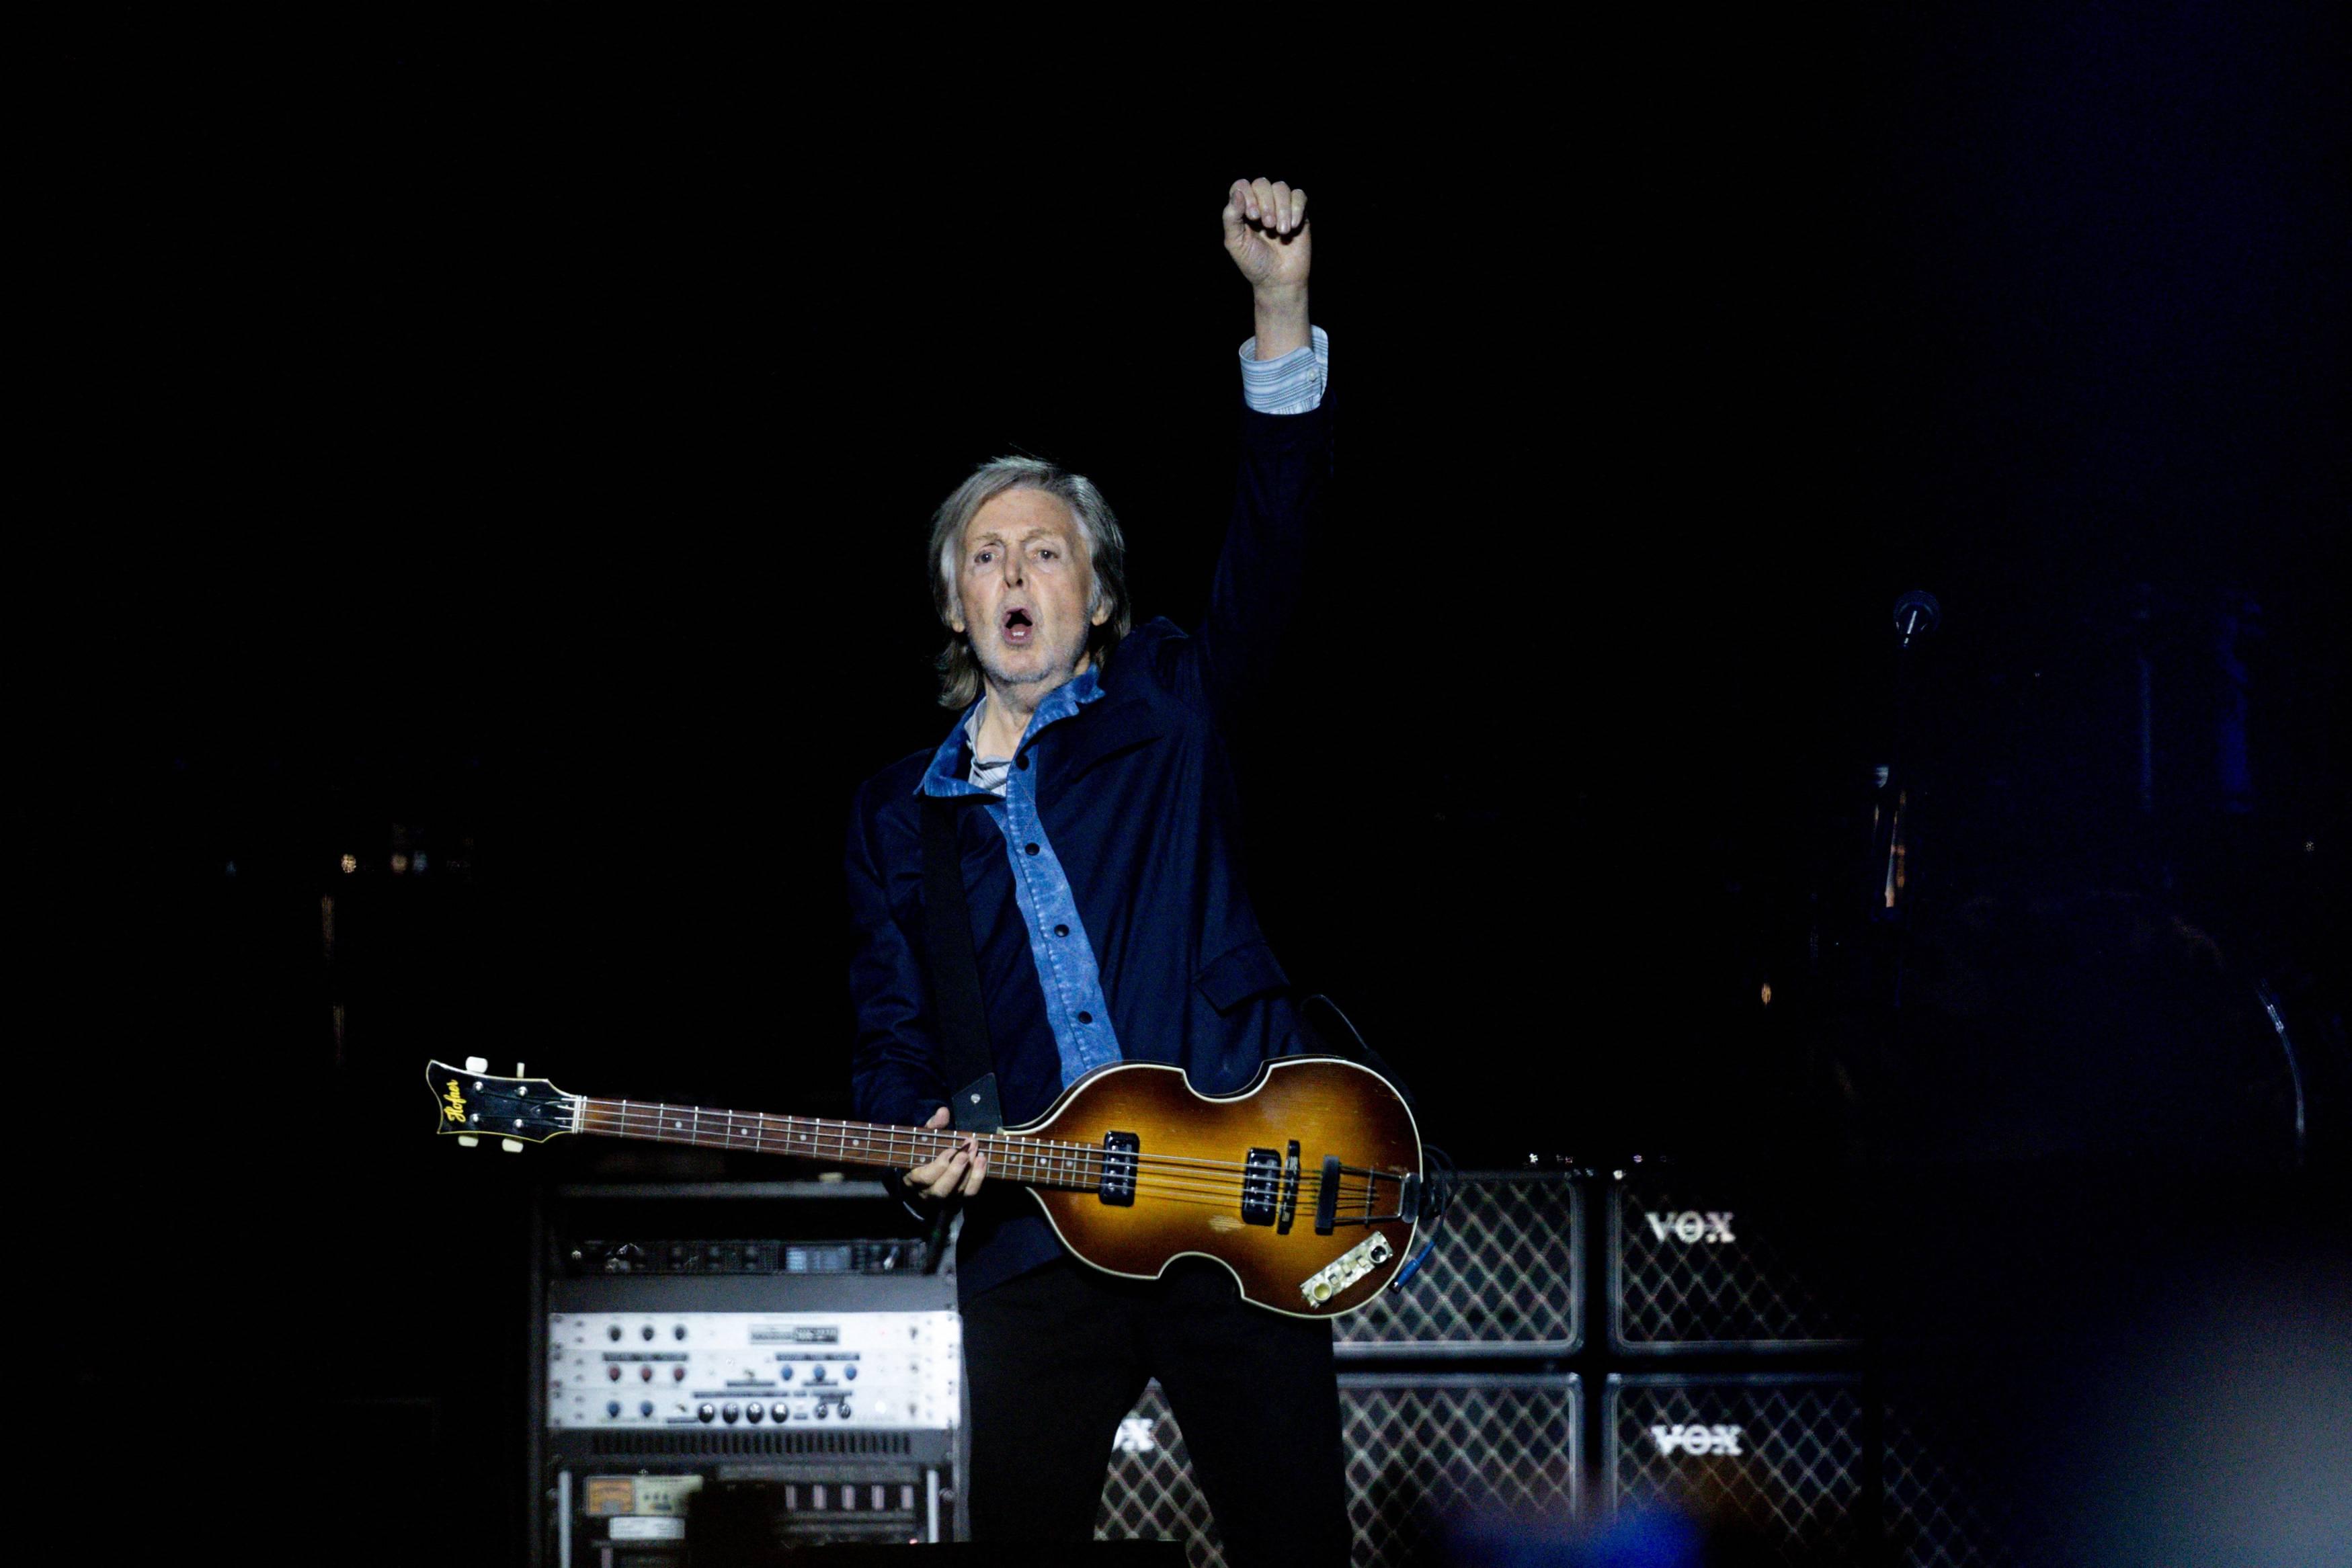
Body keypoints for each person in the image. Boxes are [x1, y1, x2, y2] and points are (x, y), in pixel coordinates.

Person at [844, 176, 1348, 1564]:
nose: (1014, 571)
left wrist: (1278, 306)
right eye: (985, 554)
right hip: (1033, 1238)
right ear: (957, 602)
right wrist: (916, 1138)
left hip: (1239, 1201)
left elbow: (1274, 545)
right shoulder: (901, 813)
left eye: (1046, 551)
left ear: (1098, 595)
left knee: (1292, 1540)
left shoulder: (1170, 705)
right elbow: (888, 1033)